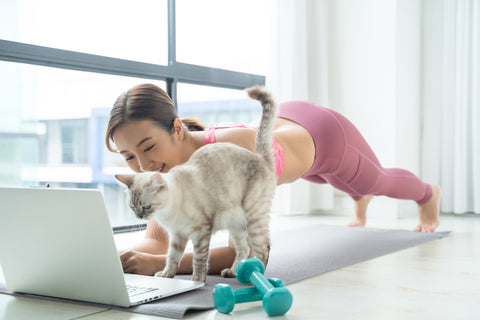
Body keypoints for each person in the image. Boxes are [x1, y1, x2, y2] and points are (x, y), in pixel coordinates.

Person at [106, 83, 441, 276]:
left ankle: (428, 195)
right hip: (287, 130)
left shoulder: (225, 157)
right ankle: (356, 197)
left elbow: (253, 250)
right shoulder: (165, 179)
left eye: (148, 147)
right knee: (330, 182)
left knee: (373, 182)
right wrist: (116, 261)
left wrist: (164, 267)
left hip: (325, 138)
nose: (143, 164)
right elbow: (156, 243)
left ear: (177, 129)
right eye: (129, 156)